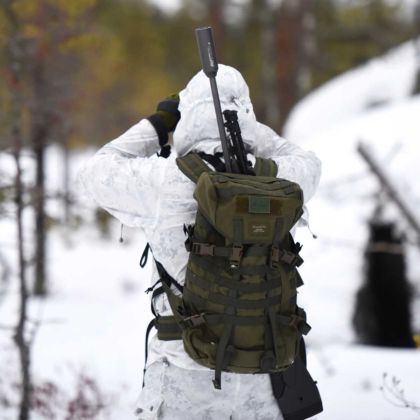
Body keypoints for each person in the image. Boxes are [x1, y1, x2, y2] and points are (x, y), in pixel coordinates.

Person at [78, 64, 321, 420]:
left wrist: (158, 125)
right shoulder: (285, 179)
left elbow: (93, 174)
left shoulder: (165, 183)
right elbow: (309, 161)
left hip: (184, 372)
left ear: (188, 118)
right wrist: (244, 123)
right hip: (265, 374)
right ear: (247, 114)